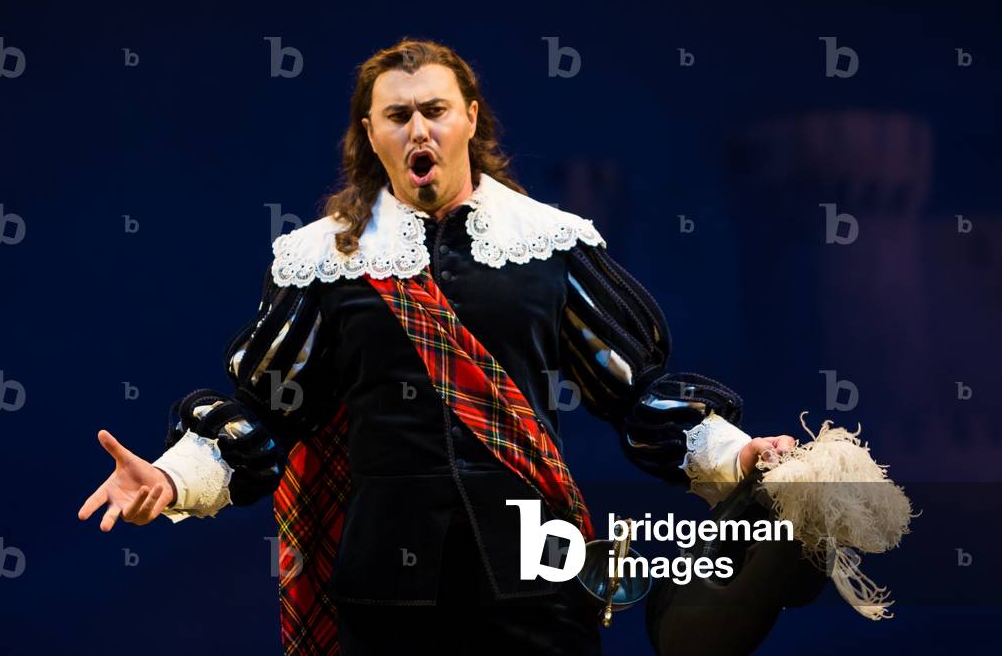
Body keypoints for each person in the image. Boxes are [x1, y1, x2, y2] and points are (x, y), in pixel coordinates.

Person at [77, 38, 795, 656]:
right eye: (398, 115)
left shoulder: (548, 242)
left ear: (469, 120)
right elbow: (265, 413)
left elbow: (635, 394)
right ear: (371, 132)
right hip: (386, 591)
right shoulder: (322, 259)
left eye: (435, 110)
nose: (418, 128)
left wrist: (738, 455)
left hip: (537, 581)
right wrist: (170, 481)